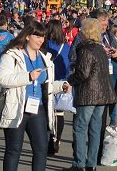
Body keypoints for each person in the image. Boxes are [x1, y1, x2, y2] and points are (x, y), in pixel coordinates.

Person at [0, 20, 68, 171]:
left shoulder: (44, 58)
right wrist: (27, 77)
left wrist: (61, 86)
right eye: (38, 36)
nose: (41, 40)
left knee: (41, 149)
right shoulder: (12, 55)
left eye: (43, 37)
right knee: (14, 150)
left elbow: (46, 84)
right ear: (28, 36)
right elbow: (2, 79)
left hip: (38, 109)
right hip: (17, 106)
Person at [64, 18, 116, 171]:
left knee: (80, 127)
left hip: (89, 93)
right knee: (95, 128)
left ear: (86, 32)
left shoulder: (85, 49)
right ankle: (91, 164)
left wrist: (69, 81)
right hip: (102, 93)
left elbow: (83, 73)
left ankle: (79, 163)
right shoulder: (100, 49)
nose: (80, 31)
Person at [45, 19, 70, 155]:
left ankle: (49, 138)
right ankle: (57, 139)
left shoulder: (45, 44)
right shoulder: (65, 46)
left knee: (46, 111)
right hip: (61, 81)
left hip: (48, 80)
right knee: (59, 113)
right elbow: (69, 64)